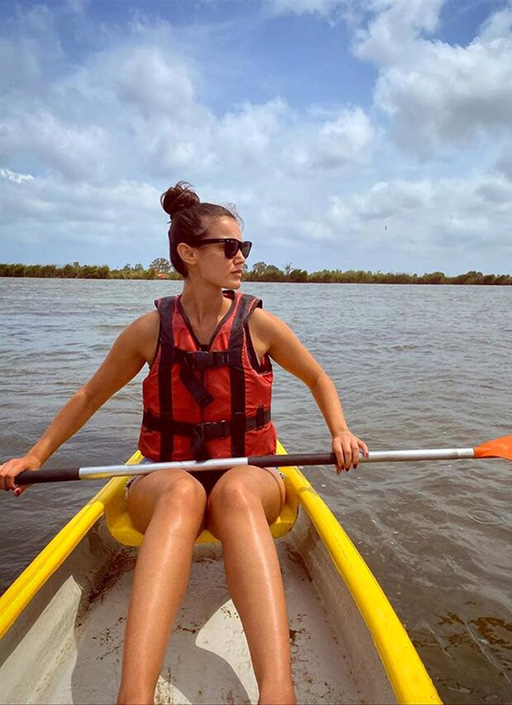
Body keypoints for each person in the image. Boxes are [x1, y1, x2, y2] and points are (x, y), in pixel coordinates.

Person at [0, 181, 368, 705]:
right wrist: (34, 457)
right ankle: (134, 695)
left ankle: (278, 691)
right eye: (230, 247)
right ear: (189, 254)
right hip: (167, 476)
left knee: (235, 493)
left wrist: (340, 430)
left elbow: (317, 378)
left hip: (251, 475)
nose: (242, 258)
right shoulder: (149, 329)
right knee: (182, 494)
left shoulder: (259, 324)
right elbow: (89, 395)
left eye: (246, 247)